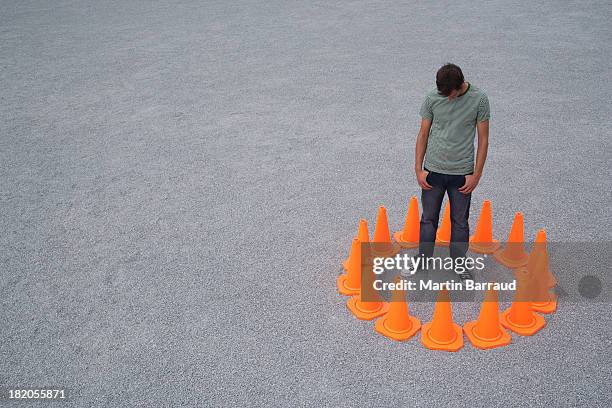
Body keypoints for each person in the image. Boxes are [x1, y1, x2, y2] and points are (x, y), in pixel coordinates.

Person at [414, 63, 490, 281]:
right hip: (433, 172)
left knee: (460, 222)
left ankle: (459, 264)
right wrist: (418, 169)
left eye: (451, 94)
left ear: (460, 86)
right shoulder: (432, 98)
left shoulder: (479, 99)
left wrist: (477, 174)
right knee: (428, 219)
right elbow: (423, 134)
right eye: (443, 94)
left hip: (462, 173)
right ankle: (423, 262)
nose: (447, 98)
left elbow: (484, 139)